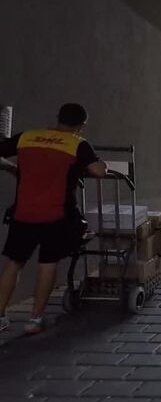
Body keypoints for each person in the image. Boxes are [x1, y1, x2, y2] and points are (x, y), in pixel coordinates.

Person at [0, 103, 107, 334]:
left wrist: (13, 169)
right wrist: (101, 164)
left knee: (15, 262)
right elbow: (98, 171)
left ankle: (0, 316)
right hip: (56, 215)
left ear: (57, 117)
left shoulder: (27, 137)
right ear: (81, 125)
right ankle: (34, 320)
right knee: (47, 263)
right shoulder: (77, 143)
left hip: (23, 213)